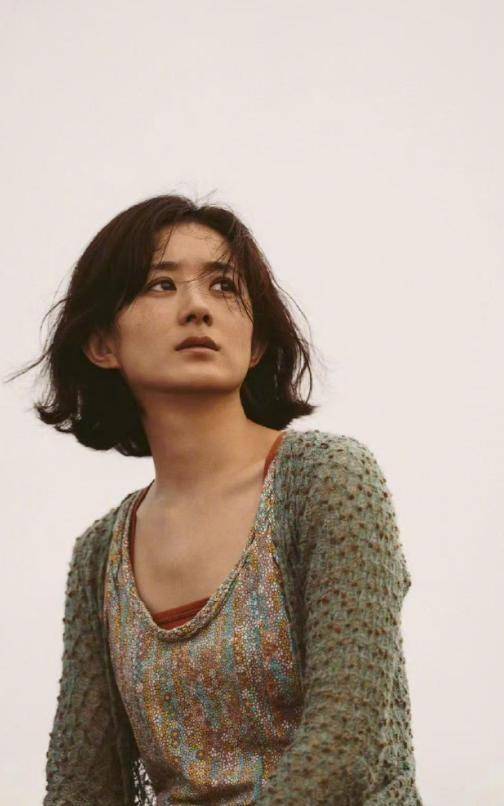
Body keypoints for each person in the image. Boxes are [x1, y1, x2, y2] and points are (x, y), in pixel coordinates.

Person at [9, 193, 423, 804]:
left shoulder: (327, 480)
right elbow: (81, 784)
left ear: (254, 343)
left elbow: (345, 744)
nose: (198, 306)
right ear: (101, 345)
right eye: (161, 285)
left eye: (224, 286)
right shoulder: (99, 556)